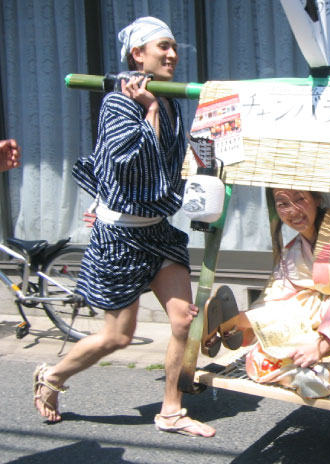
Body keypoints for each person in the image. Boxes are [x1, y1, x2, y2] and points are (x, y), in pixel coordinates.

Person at [32, 17, 215, 438]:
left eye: (173, 47)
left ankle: (171, 410)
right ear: (138, 55)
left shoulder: (171, 100)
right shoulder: (120, 104)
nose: (172, 55)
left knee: (182, 324)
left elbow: (170, 166)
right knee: (117, 337)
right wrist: (147, 108)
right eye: (162, 47)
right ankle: (53, 377)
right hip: (120, 238)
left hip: (159, 232)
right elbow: (133, 169)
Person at [231, 188, 330, 399]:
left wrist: (323, 345)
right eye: (283, 204)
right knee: (258, 359)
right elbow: (277, 294)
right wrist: (248, 320)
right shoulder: (294, 249)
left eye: (300, 199)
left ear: (316, 199)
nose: (293, 211)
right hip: (317, 327)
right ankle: (242, 322)